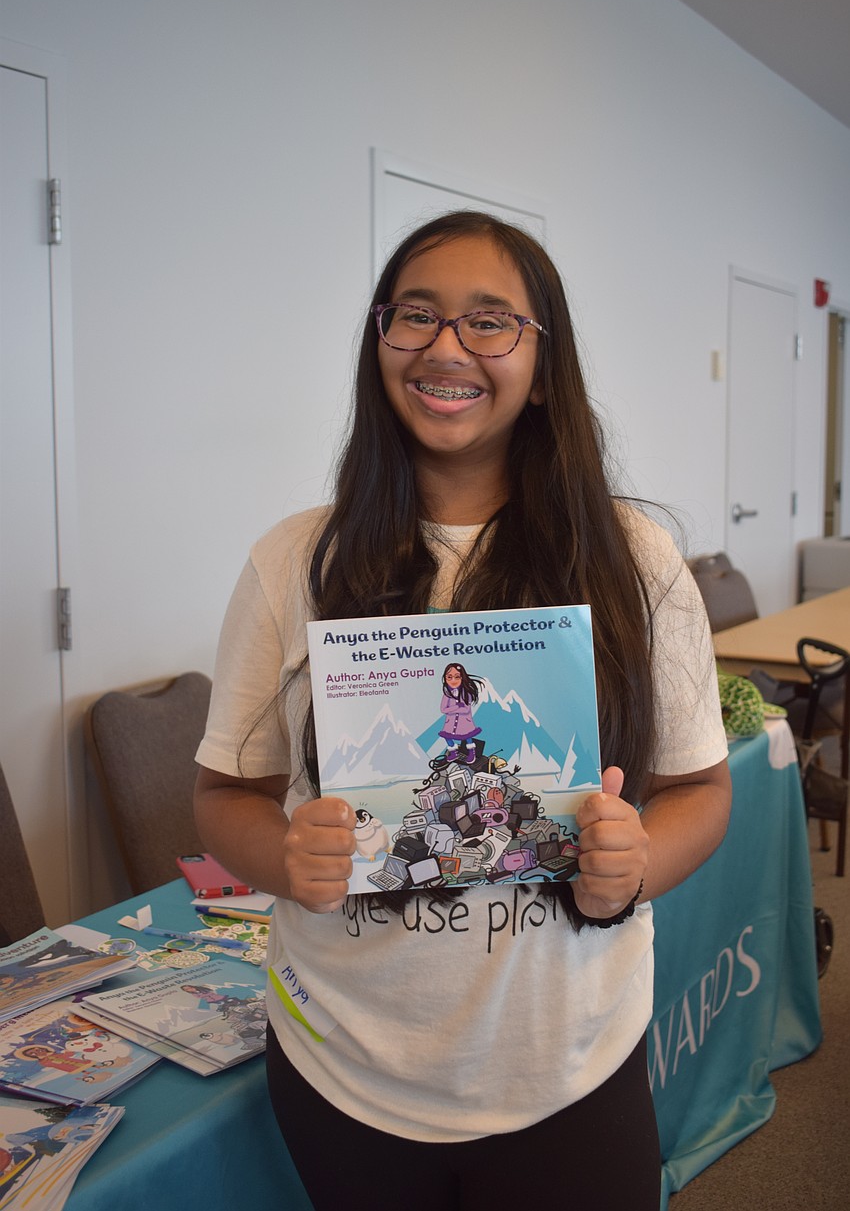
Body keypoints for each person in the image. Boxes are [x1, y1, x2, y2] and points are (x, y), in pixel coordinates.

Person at [194, 211, 731, 1209]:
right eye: (416, 316)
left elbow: (702, 785)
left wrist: (640, 860)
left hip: (570, 1066)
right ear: (379, 337)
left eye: (490, 322)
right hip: (345, 1069)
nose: (446, 346)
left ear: (543, 357)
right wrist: (281, 857)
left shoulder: (633, 561)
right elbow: (227, 792)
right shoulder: (292, 561)